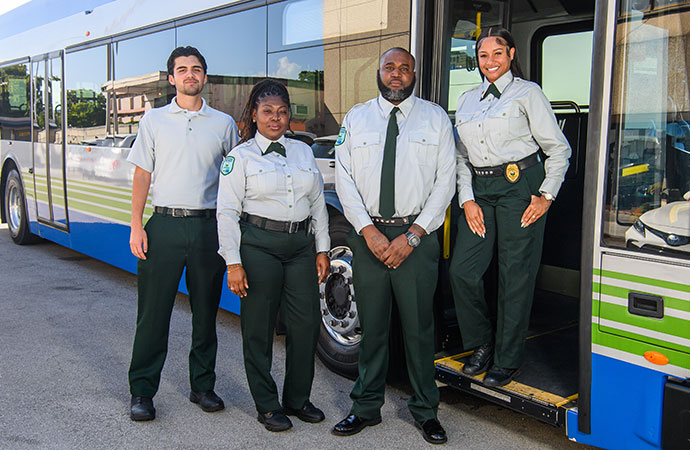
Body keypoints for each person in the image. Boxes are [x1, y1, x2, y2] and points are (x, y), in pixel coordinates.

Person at [331, 47, 456, 445]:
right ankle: (365, 408)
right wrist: (368, 232)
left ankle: (425, 412)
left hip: (416, 240)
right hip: (369, 239)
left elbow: (446, 182)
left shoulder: (435, 118)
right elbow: (344, 180)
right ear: (379, 73)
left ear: (414, 73)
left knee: (420, 330)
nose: (397, 74)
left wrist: (414, 236)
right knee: (373, 329)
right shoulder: (357, 117)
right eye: (389, 67)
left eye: (404, 68)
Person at [448, 27, 571, 387]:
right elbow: (460, 158)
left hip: (522, 186)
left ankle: (508, 357)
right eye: (483, 55)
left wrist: (546, 195)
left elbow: (558, 149)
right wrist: (467, 199)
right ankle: (481, 343)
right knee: (462, 271)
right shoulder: (468, 99)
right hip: (480, 190)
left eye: (497, 54)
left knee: (515, 273)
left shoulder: (527, 94)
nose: (490, 61)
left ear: (512, 54)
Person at [126, 46, 238, 421]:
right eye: (182, 69)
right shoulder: (153, 121)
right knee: (153, 314)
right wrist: (136, 225)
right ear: (171, 77)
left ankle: (202, 386)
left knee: (207, 313)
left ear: (205, 77)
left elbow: (234, 178)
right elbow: (142, 174)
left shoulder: (223, 124)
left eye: (196, 69)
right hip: (165, 225)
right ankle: (142, 392)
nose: (190, 75)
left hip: (208, 229)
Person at [216, 79, 331, 432]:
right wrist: (233, 263)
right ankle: (267, 405)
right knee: (259, 328)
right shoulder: (241, 157)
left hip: (299, 248)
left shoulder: (302, 151)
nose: (275, 118)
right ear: (255, 114)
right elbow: (226, 212)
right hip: (258, 246)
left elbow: (317, 205)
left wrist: (322, 248)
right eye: (267, 111)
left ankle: (297, 399)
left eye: (282, 112)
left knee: (306, 324)